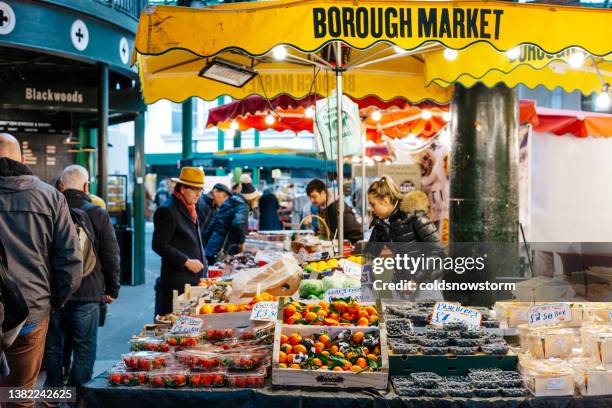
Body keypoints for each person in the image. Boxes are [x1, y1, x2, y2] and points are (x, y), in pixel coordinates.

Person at [0, 133, 82, 407]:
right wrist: (53, 301)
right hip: (32, 311)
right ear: (23, 159)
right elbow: (71, 262)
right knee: (20, 394)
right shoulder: (50, 197)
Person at [44, 165, 121, 393]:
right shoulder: (98, 213)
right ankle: (79, 396)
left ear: (61, 185)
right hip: (88, 290)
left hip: (54, 292)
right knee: (84, 347)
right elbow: (111, 255)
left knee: (54, 346)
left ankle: (54, 393)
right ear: (87, 186)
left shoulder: (48, 210)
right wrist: (112, 289)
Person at [366, 176, 444, 298]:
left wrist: (415, 280)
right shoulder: (381, 224)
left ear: (385, 201)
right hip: (400, 286)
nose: (372, 209)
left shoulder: (415, 215)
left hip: (424, 286)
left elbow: (437, 252)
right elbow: (369, 255)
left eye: (373, 204)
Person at [152, 167, 207, 315]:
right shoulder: (167, 210)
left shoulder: (191, 207)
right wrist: (186, 261)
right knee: (176, 323)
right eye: (195, 190)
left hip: (195, 279)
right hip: (178, 280)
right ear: (183, 188)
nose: (198, 194)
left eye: (200, 190)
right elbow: (159, 245)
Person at [202, 181, 249, 264]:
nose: (224, 199)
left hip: (210, 247)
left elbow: (210, 228)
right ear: (215, 191)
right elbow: (238, 222)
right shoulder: (202, 203)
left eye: (226, 197)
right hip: (216, 249)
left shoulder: (222, 206)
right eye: (223, 196)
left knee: (209, 271)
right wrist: (242, 241)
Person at [306, 178, 363, 243]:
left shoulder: (337, 207)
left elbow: (354, 233)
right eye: (310, 197)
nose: (312, 200)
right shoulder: (322, 207)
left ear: (323, 193)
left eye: (314, 197)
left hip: (350, 246)